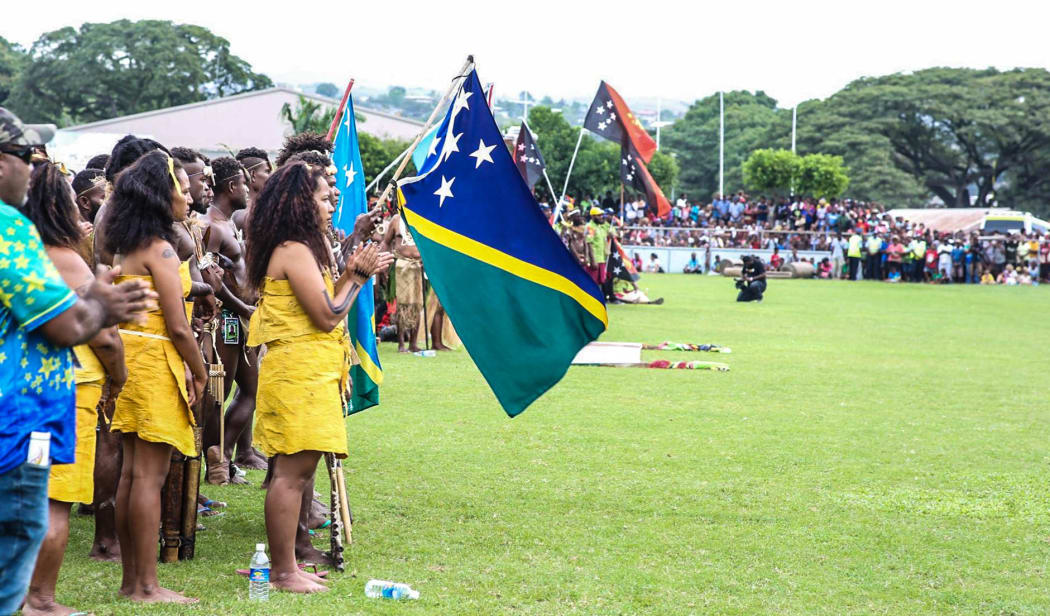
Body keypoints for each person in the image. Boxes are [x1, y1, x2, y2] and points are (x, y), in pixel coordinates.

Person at [0, 108, 155, 615]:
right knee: (22, 528)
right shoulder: (8, 229)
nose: (36, 170)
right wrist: (101, 308)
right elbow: (64, 326)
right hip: (21, 420)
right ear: (4, 165)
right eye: (29, 157)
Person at [243, 162, 392, 593]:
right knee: (291, 474)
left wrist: (352, 270)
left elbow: (327, 296)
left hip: (311, 370)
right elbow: (327, 315)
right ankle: (283, 572)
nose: (332, 206)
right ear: (299, 203)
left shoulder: (303, 247)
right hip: (298, 373)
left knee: (299, 473)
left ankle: (287, 563)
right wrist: (359, 278)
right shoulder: (292, 249)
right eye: (325, 198)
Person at [20, 161, 129, 616]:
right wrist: (119, 377)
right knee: (54, 497)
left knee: (28, 494)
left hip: (24, 392)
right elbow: (102, 332)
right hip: (65, 393)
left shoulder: (18, 253)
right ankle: (40, 600)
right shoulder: (62, 258)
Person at [102, 150, 207, 604]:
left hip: (132, 360)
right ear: (161, 195)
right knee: (149, 476)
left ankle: (133, 582)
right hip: (155, 360)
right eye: (181, 186)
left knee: (133, 475)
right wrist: (199, 371)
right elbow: (179, 325)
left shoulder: (128, 246)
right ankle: (146, 585)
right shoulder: (161, 249)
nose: (186, 195)